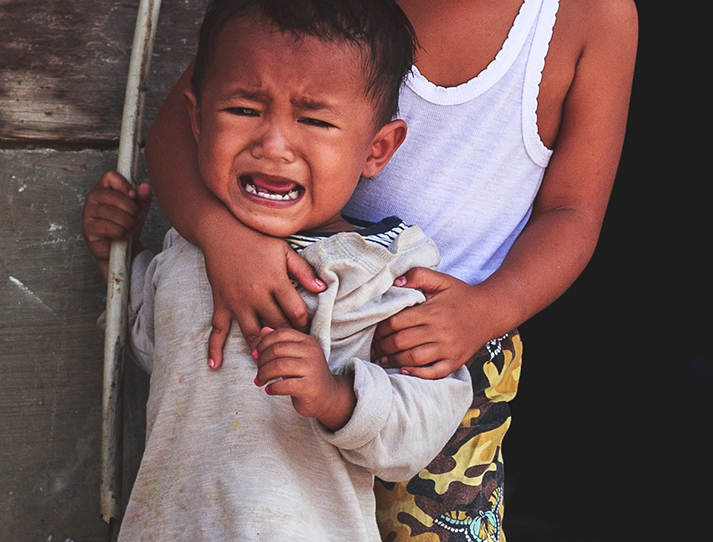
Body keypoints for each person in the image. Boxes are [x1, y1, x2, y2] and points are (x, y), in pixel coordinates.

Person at [144, 0, 639, 539]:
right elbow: (177, 128)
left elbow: (573, 212)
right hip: (278, 280)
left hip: (444, 348)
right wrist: (222, 238)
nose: (276, 141)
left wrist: (487, 310)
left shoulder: (592, 14)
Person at [81, 0, 474, 540]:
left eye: (313, 120)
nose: (273, 146)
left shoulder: (381, 270)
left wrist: (337, 398)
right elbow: (155, 345)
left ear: (377, 150)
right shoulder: (191, 253)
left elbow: (425, 421)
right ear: (197, 120)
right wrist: (115, 258)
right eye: (244, 110)